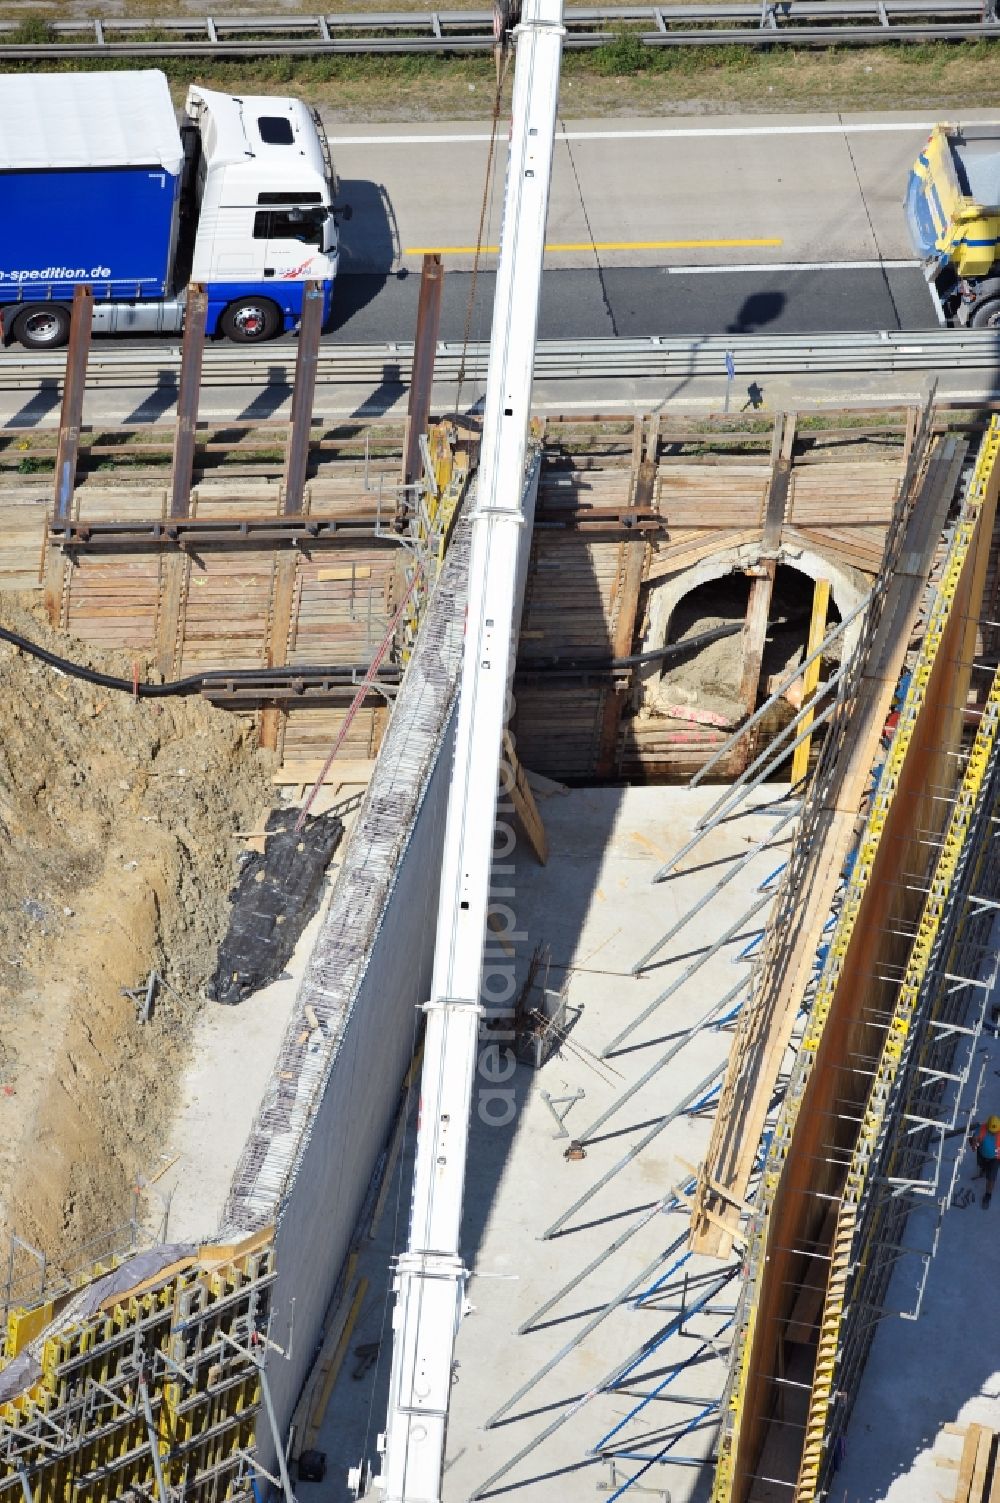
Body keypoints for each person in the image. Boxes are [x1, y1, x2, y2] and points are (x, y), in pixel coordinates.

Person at [970, 1115, 1000, 1208]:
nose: (993, 1133)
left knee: (991, 1178)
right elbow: (975, 1139)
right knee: (982, 1165)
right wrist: (974, 1143)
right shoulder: (982, 1129)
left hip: (996, 1158)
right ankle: (983, 1170)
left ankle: (988, 1195)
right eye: (991, 1131)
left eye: (995, 1132)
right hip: (982, 1154)